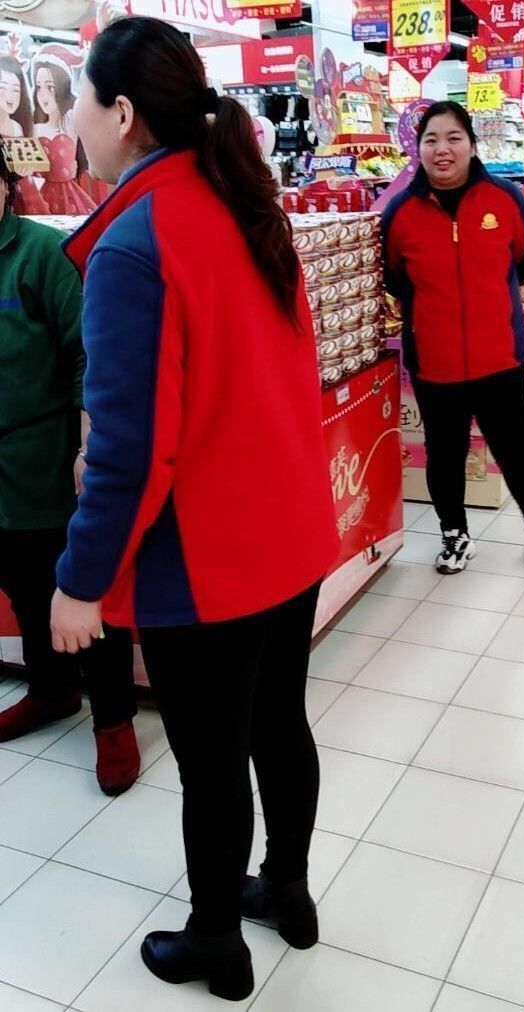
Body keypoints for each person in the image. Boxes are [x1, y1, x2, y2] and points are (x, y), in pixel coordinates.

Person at [49, 16, 338, 1003]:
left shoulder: (136, 244)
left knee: (213, 762)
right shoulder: (244, 203)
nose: (71, 125)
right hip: (288, 527)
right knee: (279, 722)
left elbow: (128, 450)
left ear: (123, 112)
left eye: (80, 104)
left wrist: (80, 580)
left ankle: (217, 939)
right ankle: (288, 892)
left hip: (206, 554)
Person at [0, 153, 139, 795]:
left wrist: (89, 446)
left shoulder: (41, 255)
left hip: (48, 457)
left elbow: (89, 355)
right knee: (23, 589)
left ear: (7, 187)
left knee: (81, 588)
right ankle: (51, 690)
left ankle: (113, 719)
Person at [382, 100, 524, 578]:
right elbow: (395, 278)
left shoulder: (506, 200)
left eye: (453, 138)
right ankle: (454, 534)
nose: (442, 149)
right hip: (435, 362)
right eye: (431, 140)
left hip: (499, 357)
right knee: (445, 455)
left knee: (517, 452)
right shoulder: (401, 213)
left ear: (471, 143)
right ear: (418, 148)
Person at [32, 44, 96, 216]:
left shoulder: (71, 120)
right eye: (38, 87)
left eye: (50, 87)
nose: (43, 95)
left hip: (71, 195)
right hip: (41, 196)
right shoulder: (34, 128)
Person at [0, 51, 49, 215]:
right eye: (3, 88)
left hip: (24, 195)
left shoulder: (17, 127)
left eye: (16, 90)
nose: (10, 96)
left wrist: (26, 170)